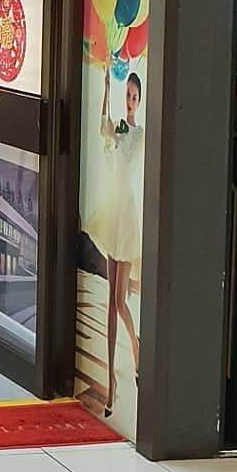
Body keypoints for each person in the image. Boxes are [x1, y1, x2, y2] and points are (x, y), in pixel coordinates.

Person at [94, 68, 143, 415]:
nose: (129, 101)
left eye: (133, 97)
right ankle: (111, 379)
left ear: (139, 101)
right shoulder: (117, 130)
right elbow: (103, 129)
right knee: (114, 302)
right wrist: (105, 89)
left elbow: (126, 157)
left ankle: (135, 348)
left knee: (119, 301)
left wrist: (119, 130)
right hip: (113, 210)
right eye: (126, 95)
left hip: (125, 215)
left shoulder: (137, 134)